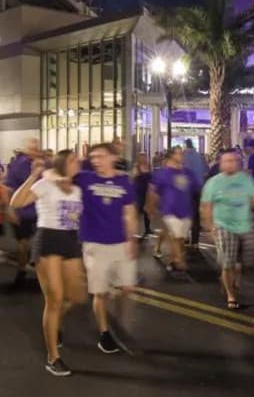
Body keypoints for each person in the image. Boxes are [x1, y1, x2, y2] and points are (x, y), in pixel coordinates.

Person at [10, 151, 86, 377]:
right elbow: (17, 202)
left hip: (71, 241)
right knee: (54, 300)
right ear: (62, 164)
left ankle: (54, 325)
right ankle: (53, 358)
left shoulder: (77, 189)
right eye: (73, 159)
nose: (78, 162)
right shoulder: (44, 184)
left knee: (76, 297)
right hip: (48, 241)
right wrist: (33, 176)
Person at [69, 142, 139, 358]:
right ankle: (104, 332)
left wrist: (132, 239)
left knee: (127, 287)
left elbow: (129, 212)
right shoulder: (84, 178)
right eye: (93, 157)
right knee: (100, 292)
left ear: (113, 157)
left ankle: (117, 321)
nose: (95, 160)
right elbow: (59, 174)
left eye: (100, 156)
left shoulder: (123, 181)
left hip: (120, 243)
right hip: (95, 244)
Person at [201, 150, 254, 309]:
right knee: (228, 264)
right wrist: (209, 228)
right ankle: (231, 295)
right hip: (223, 226)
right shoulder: (213, 183)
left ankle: (232, 279)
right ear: (220, 164)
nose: (230, 164)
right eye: (226, 161)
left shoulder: (247, 180)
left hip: (245, 225)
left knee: (246, 262)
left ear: (238, 162)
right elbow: (206, 206)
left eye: (233, 160)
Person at [150, 147, 195, 279]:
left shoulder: (188, 173)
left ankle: (173, 260)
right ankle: (180, 261)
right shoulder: (162, 173)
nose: (182, 155)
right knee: (175, 237)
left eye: (182, 153)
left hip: (186, 211)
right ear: (170, 156)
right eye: (178, 153)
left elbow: (194, 189)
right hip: (169, 210)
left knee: (181, 239)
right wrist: (151, 207)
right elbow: (153, 191)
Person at [4, 140, 41, 287]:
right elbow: (8, 188)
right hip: (23, 211)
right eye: (32, 148)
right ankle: (21, 270)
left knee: (40, 243)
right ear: (27, 150)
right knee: (23, 244)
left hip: (41, 211)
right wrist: (10, 209)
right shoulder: (18, 166)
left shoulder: (45, 164)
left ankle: (39, 270)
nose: (35, 150)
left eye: (37, 147)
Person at [132, 155, 152, 238]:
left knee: (147, 211)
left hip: (147, 191)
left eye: (144, 157)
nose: (144, 159)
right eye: (142, 158)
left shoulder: (148, 166)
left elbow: (151, 177)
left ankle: (147, 228)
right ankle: (134, 229)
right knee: (138, 210)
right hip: (139, 191)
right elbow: (134, 177)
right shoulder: (136, 167)